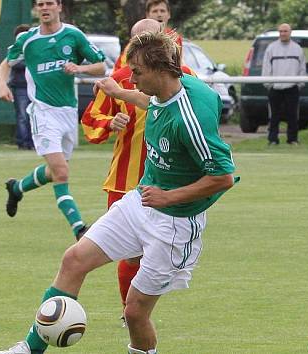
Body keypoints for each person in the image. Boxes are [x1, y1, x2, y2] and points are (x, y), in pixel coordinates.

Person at [0, 30, 236, 354]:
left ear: (161, 69)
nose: (131, 78)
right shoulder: (167, 90)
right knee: (74, 259)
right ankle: (29, 350)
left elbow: (223, 177)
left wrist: (168, 197)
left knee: (134, 312)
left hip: (175, 223)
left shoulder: (191, 117)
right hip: (141, 201)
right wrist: (117, 91)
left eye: (137, 72)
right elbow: (152, 101)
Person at [81, 18, 194, 327]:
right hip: (125, 181)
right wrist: (108, 122)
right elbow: (91, 118)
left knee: (157, 255)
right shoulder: (118, 79)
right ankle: (128, 313)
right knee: (130, 256)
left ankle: (138, 311)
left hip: (168, 183)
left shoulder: (186, 78)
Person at [0, 0, 106, 240]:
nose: (44, 8)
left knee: (53, 171)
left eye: (49, 3)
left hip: (67, 112)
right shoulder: (28, 39)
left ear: (59, 6)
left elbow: (100, 66)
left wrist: (79, 69)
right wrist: (2, 84)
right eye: (40, 4)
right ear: (37, 9)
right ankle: (79, 228)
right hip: (42, 112)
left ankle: (17, 188)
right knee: (61, 172)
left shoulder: (73, 35)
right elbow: (7, 62)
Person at [261, 23, 306, 145]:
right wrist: (268, 84)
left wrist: (299, 84)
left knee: (292, 115)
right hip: (275, 87)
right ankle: (273, 139)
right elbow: (266, 67)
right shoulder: (271, 48)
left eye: (285, 31)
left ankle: (292, 139)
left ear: (290, 32)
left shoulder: (297, 48)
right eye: (281, 31)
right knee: (274, 116)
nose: (283, 33)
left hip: (292, 87)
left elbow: (302, 68)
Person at [113, 0, 182, 73]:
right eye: (155, 11)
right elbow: (125, 68)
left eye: (162, 11)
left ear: (169, 14)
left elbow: (177, 63)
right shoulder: (140, 37)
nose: (159, 14)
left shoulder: (175, 37)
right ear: (147, 15)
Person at [8, 24, 34, 150]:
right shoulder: (14, 49)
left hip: (34, 87)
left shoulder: (34, 48)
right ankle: (23, 143)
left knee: (33, 115)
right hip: (20, 87)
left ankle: (33, 142)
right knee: (22, 116)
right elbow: (13, 63)